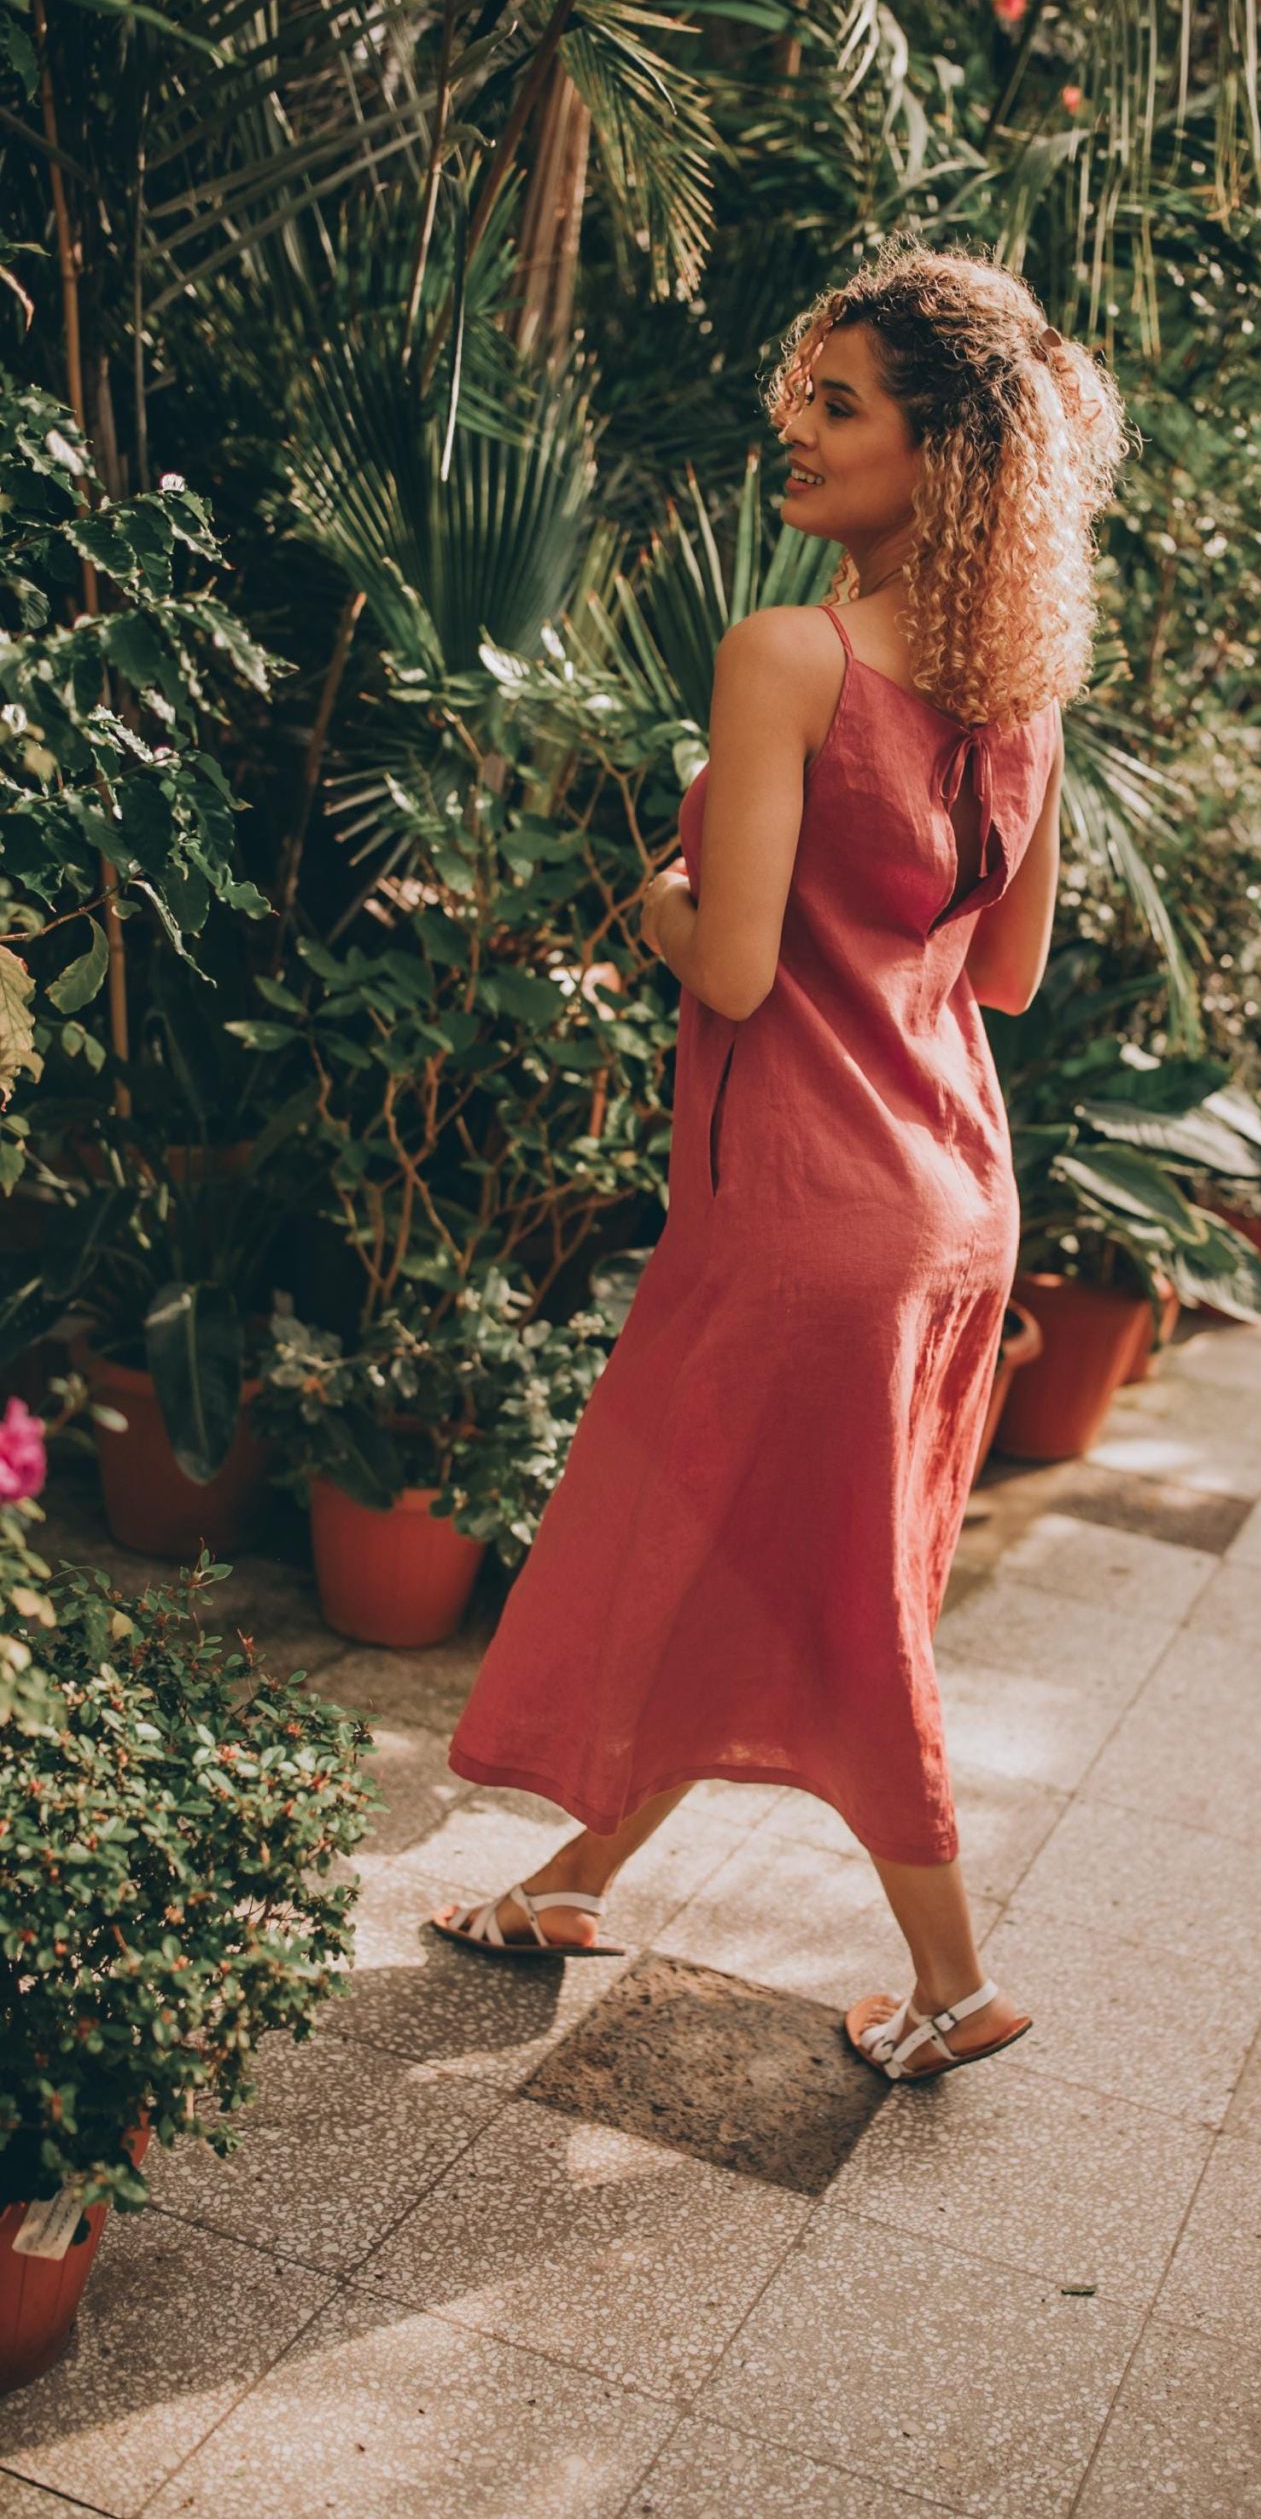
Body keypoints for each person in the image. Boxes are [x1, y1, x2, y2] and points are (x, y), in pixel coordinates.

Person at [432, 241, 1126, 2084]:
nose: (793, 433)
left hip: (809, 1209)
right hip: (955, 1197)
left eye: (838, 405)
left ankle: (955, 1982)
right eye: (798, 398)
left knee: (839, 1606)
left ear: (945, 451)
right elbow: (1007, 975)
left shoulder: (787, 657)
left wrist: (661, 899)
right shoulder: (1022, 697)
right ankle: (572, 1882)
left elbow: (732, 968)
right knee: (728, 1551)